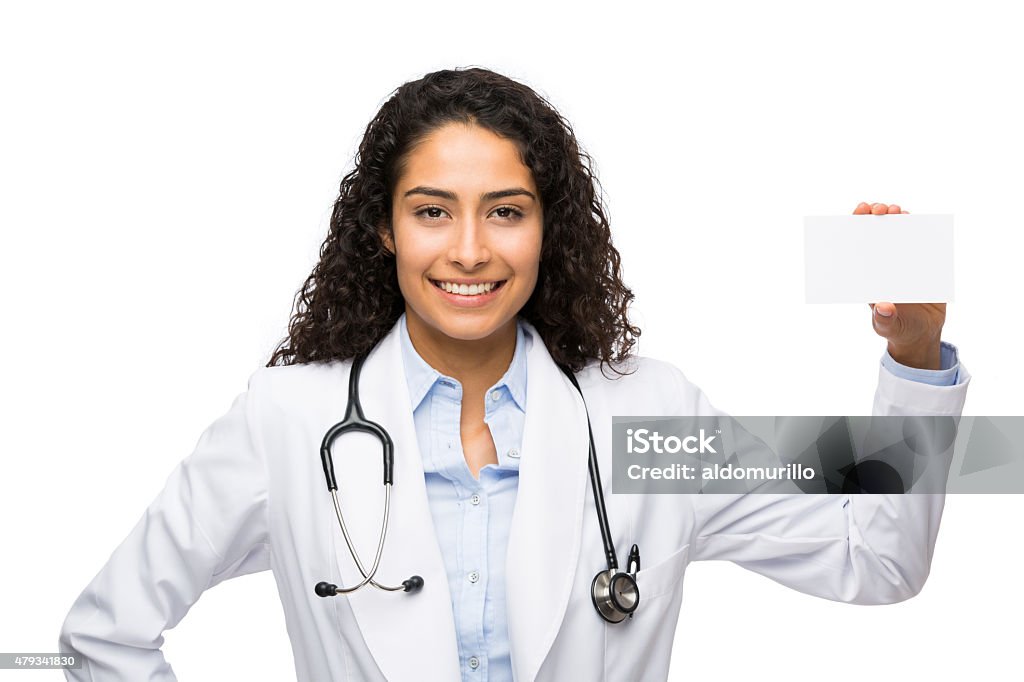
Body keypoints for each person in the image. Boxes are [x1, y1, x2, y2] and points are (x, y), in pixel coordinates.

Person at [58, 67, 970, 682]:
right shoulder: (288, 419)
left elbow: (878, 561)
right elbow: (106, 633)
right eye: (431, 211)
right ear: (384, 229)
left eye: (504, 211)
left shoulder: (645, 412)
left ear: (547, 228)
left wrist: (915, 355)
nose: (468, 250)